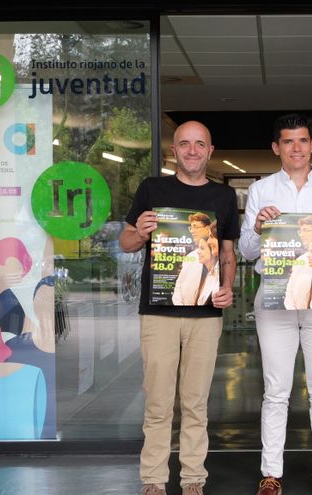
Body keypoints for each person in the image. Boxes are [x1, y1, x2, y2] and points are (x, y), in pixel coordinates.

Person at [238, 113, 312, 495]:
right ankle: (271, 472)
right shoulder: (261, 189)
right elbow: (245, 250)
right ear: (276, 148)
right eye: (288, 142)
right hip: (275, 298)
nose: (296, 148)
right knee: (276, 389)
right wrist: (257, 227)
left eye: (303, 140)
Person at [120, 120, 239, 495]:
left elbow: (228, 254)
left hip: (206, 315)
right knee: (157, 402)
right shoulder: (152, 189)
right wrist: (139, 231)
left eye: (199, 144)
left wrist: (228, 289)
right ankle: (154, 480)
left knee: (195, 402)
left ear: (210, 150)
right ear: (174, 150)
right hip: (159, 314)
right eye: (184, 144)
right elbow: (125, 242)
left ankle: (192, 480)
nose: (191, 150)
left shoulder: (223, 197)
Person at [283, 215, 312, 310]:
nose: (301, 234)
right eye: (300, 231)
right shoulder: (300, 261)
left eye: (305, 230)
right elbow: (290, 290)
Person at [172, 212, 213, 306]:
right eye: (191, 227)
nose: (192, 231)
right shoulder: (190, 257)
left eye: (195, 227)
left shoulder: (217, 256)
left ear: (207, 229)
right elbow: (179, 285)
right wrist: (180, 306)